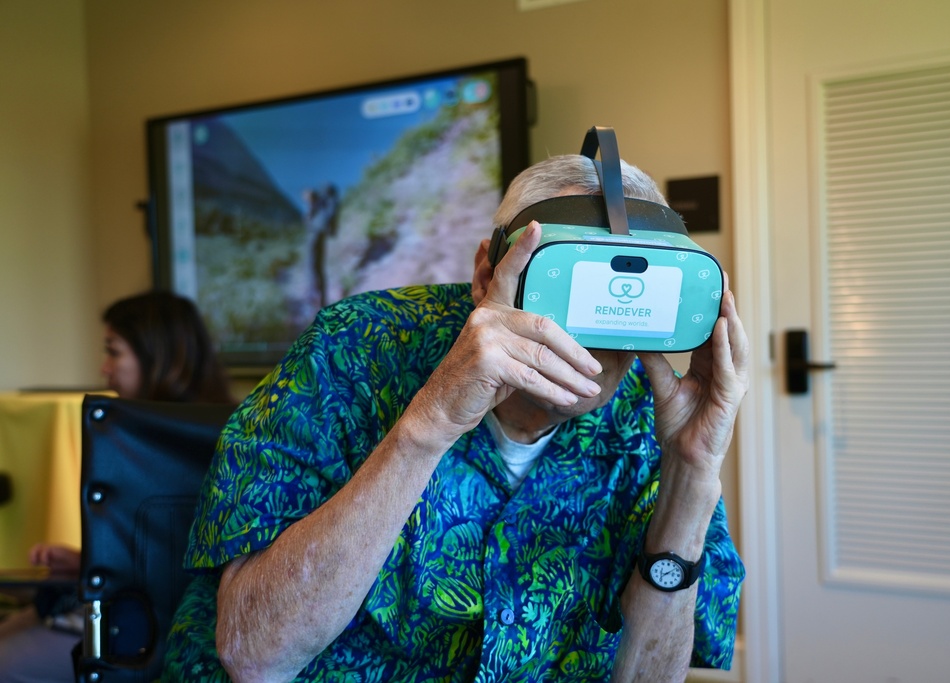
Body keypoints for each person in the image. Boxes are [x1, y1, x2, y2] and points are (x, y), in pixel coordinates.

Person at [164, 154, 750, 682]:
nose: (592, 337)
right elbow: (252, 652)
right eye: (567, 284)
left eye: (624, 292)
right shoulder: (353, 349)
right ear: (484, 275)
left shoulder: (652, 412)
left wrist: (692, 475)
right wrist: (428, 425)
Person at [0, 290, 234, 682]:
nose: (105, 368)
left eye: (114, 352)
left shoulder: (162, 446)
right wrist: (86, 563)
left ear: (157, 354)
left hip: (138, 632)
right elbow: (161, 552)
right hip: (127, 616)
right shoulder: (230, 430)